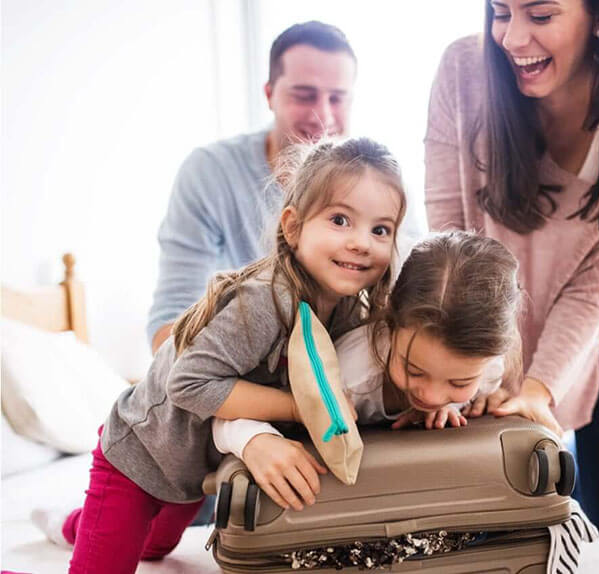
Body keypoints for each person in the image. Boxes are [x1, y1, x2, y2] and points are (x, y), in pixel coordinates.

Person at [32, 138, 407, 574]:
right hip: (139, 456)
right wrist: (302, 407)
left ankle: (73, 526)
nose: (362, 242)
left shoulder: (347, 311)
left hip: (194, 474)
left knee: (154, 549)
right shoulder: (264, 302)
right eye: (340, 220)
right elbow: (189, 383)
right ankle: (69, 524)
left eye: (380, 229)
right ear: (292, 226)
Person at [424, 0, 599, 528]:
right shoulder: (463, 71)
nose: (513, 38)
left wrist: (539, 390)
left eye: (540, 16)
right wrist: (483, 364)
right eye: (500, 12)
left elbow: (596, 283)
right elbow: (450, 235)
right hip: (491, 319)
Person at [212, 231, 523, 510]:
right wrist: (255, 441)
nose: (432, 395)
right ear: (390, 323)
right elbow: (225, 413)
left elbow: (484, 387)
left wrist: (463, 403)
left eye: (459, 382)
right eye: (414, 371)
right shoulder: (349, 374)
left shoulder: (488, 367)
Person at [147, 20, 358, 354]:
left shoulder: (378, 182)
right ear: (270, 95)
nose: (322, 115)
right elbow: (170, 325)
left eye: (337, 98)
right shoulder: (209, 173)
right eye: (304, 96)